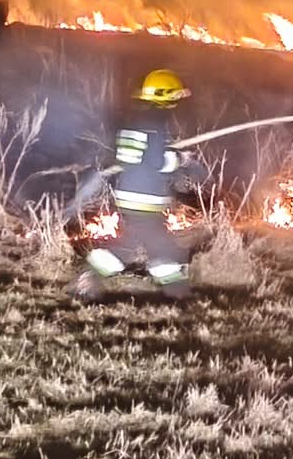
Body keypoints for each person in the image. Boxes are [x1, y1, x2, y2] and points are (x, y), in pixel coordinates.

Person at [74, 67, 208, 300]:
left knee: (127, 245)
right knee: (163, 249)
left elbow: (132, 157)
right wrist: (180, 159)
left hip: (129, 195)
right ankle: (179, 293)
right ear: (164, 96)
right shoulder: (156, 123)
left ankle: (90, 277)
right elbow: (157, 162)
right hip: (145, 199)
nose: (177, 102)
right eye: (174, 97)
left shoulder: (134, 121)